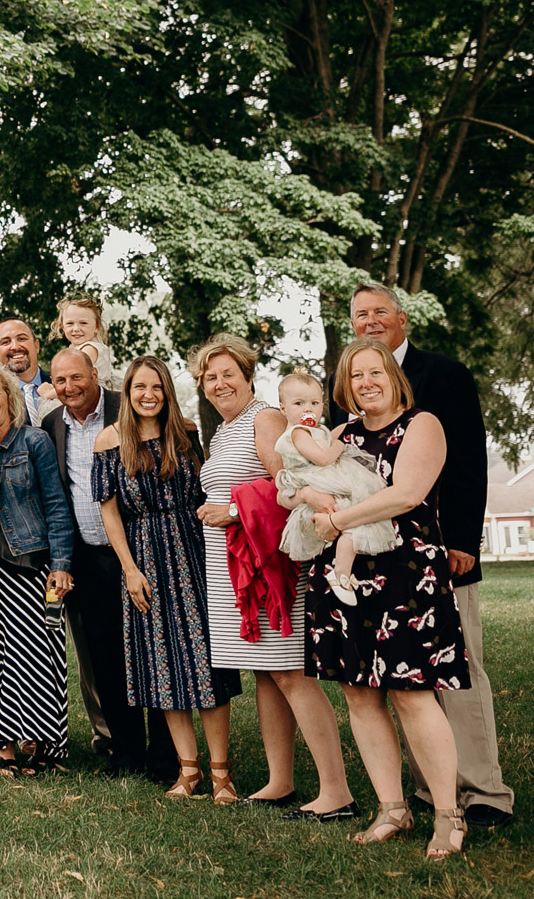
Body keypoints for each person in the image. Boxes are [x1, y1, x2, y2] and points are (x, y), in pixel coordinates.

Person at [349, 282, 511, 827]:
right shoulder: (350, 384)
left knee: (458, 668)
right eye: (359, 314)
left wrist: (463, 539)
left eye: (379, 312)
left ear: (402, 318)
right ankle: (429, 791)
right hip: (376, 558)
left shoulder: (444, 375)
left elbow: (468, 463)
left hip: (437, 549)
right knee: (405, 677)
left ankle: (483, 790)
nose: (369, 321)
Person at [299, 339, 468, 858]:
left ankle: (448, 813)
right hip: (345, 577)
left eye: (375, 372)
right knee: (358, 692)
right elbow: (302, 481)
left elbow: (406, 493)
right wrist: (309, 502)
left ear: (393, 377)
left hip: (405, 573)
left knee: (412, 692)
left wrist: (336, 520)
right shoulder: (339, 435)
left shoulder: (422, 425)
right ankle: (393, 808)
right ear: (344, 387)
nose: (366, 383)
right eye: (355, 376)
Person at [189, 334, 352, 817]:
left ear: (247, 376)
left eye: (228, 375)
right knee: (267, 675)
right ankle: (279, 781)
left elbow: (292, 486)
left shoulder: (265, 418)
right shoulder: (224, 430)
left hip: (266, 564)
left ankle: (336, 791)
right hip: (234, 567)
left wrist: (233, 512)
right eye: (210, 377)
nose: (220, 384)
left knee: (291, 674)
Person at [91, 358, 232, 801]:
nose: (147, 394)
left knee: (205, 663)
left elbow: (208, 491)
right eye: (139, 387)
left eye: (156, 387)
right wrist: (129, 569)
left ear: (166, 392)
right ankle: (187, 770)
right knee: (160, 664)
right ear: (127, 392)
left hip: (194, 549)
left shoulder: (186, 432)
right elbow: (109, 513)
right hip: (143, 556)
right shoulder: (109, 441)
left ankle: (221, 772)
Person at [40, 347, 153, 779]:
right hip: (86, 558)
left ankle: (164, 754)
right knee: (103, 658)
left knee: (148, 652)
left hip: (140, 553)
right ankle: (125, 753)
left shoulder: (126, 408)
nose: (69, 387)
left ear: (94, 373)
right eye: (60, 380)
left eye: (77, 378)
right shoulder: (52, 424)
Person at [0, 362, 72, 775]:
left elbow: (57, 506)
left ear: (10, 398)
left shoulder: (34, 441)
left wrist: (61, 564)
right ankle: (6, 743)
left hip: (30, 558)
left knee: (40, 653)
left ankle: (46, 744)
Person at [273, 369, 398, 605]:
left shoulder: (316, 430)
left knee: (358, 517)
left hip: (325, 480)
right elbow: (321, 459)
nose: (308, 409)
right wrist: (338, 448)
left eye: (314, 402)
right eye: (299, 403)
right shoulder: (299, 433)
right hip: (318, 479)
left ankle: (343, 572)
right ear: (283, 408)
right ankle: (341, 573)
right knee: (354, 514)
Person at [0, 318, 52, 421]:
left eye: (21, 339)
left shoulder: (60, 385)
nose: (15, 347)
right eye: (6, 342)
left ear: (36, 346)